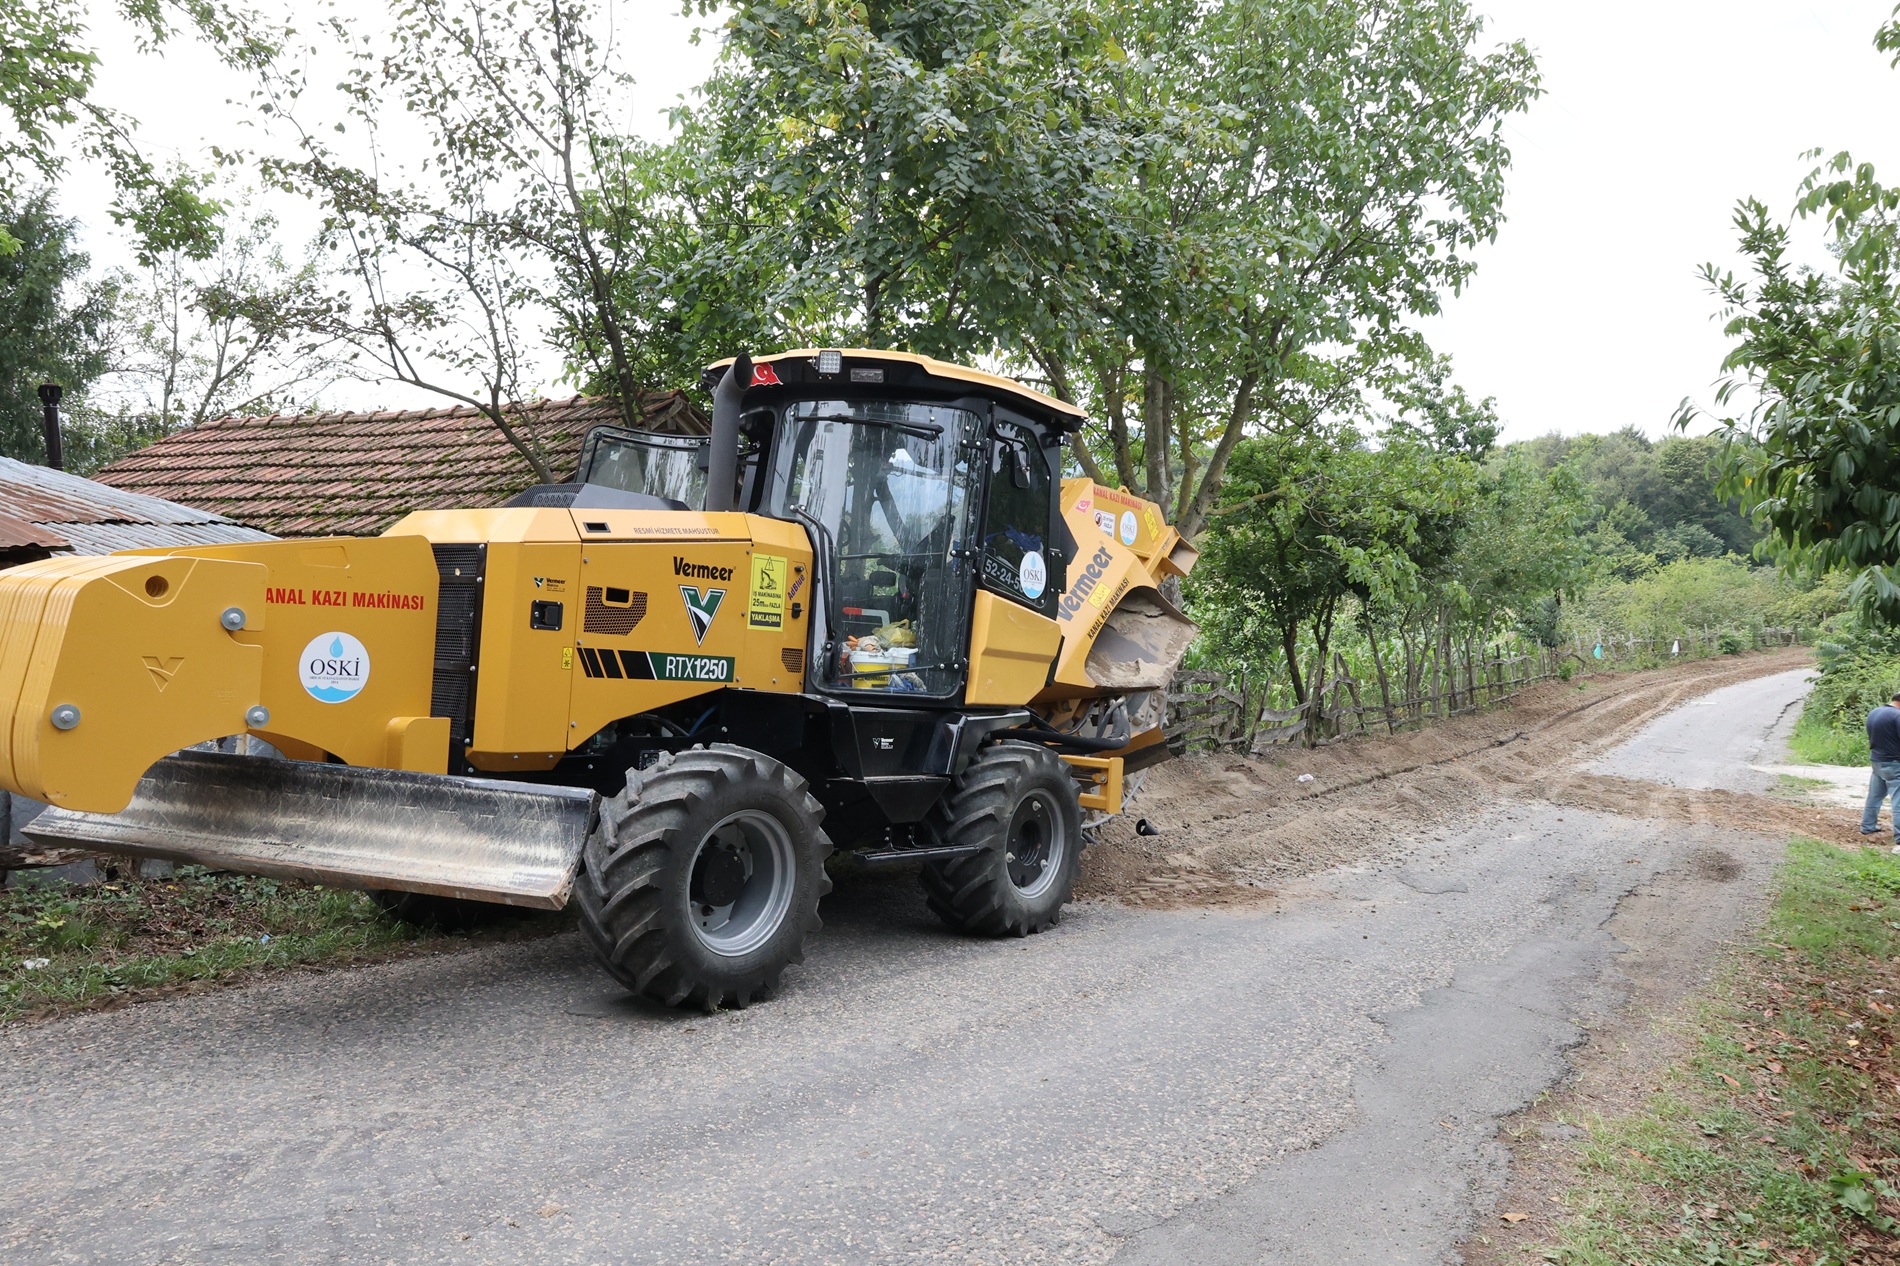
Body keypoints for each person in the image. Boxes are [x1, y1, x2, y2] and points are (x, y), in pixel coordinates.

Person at [1864, 691, 1900, 840]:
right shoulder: (1897, 716)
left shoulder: (1874, 712)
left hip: (1877, 761)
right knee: (1898, 799)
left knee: (1875, 796)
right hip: (1894, 763)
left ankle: (1867, 826)